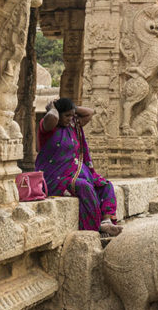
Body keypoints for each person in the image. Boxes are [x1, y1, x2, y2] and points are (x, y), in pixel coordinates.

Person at [35, 98, 121, 236]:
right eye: (67, 115)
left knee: (106, 185)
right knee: (84, 187)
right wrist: (53, 108)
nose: (70, 119)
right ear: (58, 113)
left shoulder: (73, 125)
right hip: (54, 178)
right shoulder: (48, 127)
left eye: (72, 115)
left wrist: (72, 107)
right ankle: (93, 228)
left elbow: (90, 113)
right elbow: (52, 116)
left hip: (76, 173)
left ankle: (106, 221)